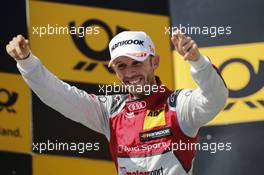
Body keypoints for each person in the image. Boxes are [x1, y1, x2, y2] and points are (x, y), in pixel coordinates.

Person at [6, 31, 228, 175]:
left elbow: (215, 98)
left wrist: (198, 62)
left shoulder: (179, 105)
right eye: (121, 66)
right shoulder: (110, 111)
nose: (130, 72)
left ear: (155, 62)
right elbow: (60, 96)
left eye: (137, 63)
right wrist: (27, 62)